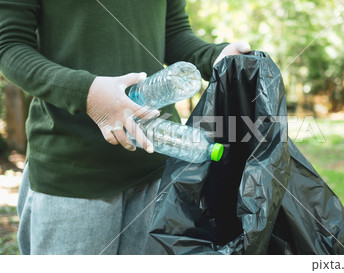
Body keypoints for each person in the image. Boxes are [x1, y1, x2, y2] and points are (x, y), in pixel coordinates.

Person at [0, 0, 250, 254]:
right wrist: (85, 93)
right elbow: (9, 46)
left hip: (157, 168)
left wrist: (215, 57)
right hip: (74, 175)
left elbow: (172, 32)